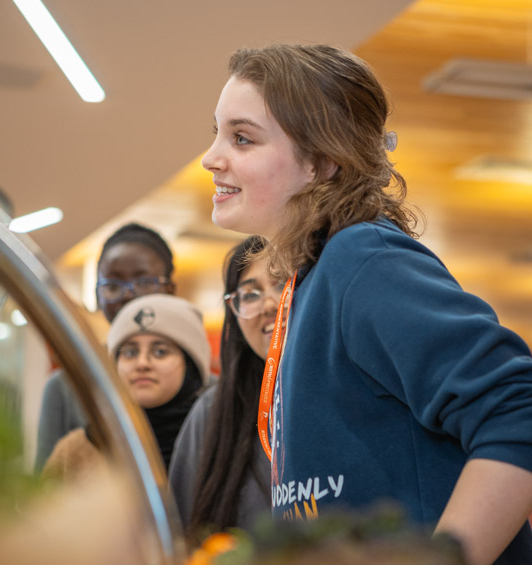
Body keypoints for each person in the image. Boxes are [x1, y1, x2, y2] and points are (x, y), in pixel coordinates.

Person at [201, 44, 532, 565]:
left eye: (242, 138)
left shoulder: (362, 259)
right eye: (216, 133)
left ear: (322, 161)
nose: (211, 157)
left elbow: (517, 410)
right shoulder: (310, 279)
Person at [35, 222, 176, 471]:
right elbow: (46, 493)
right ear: (98, 296)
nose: (128, 295)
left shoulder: (201, 388)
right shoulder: (65, 387)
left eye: (144, 282)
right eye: (112, 285)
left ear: (170, 290)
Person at [170, 236, 280, 538]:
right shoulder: (212, 411)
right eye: (250, 293)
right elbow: (181, 532)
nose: (270, 304)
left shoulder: (348, 393)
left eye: (283, 282)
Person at [42, 293, 210, 482]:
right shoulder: (73, 453)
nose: (142, 363)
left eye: (160, 351)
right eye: (130, 352)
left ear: (191, 367)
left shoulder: (221, 445)